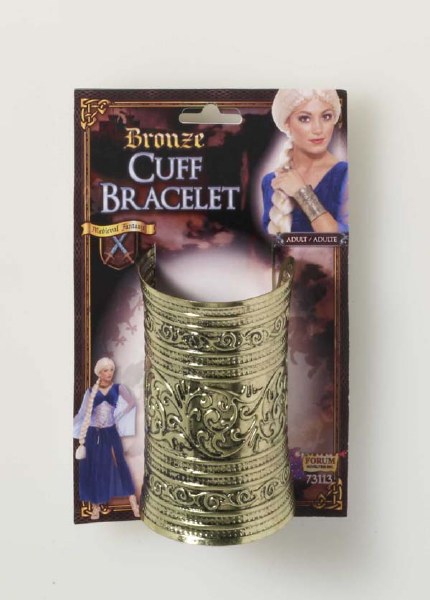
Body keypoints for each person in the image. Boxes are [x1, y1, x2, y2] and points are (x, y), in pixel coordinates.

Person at [262, 89, 348, 234]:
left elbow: (339, 239)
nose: (318, 129)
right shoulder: (271, 182)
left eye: (326, 116)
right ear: (287, 123)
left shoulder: (345, 175)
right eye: (305, 118)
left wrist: (301, 192)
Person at [73, 357, 140, 520]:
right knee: (95, 467)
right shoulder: (90, 392)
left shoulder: (119, 388)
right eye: (105, 370)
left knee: (120, 463)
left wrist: (119, 416)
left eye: (111, 370)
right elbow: (82, 413)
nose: (109, 373)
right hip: (93, 434)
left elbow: (131, 403)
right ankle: (95, 506)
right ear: (99, 373)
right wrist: (72, 427)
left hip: (111, 432)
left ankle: (133, 503)